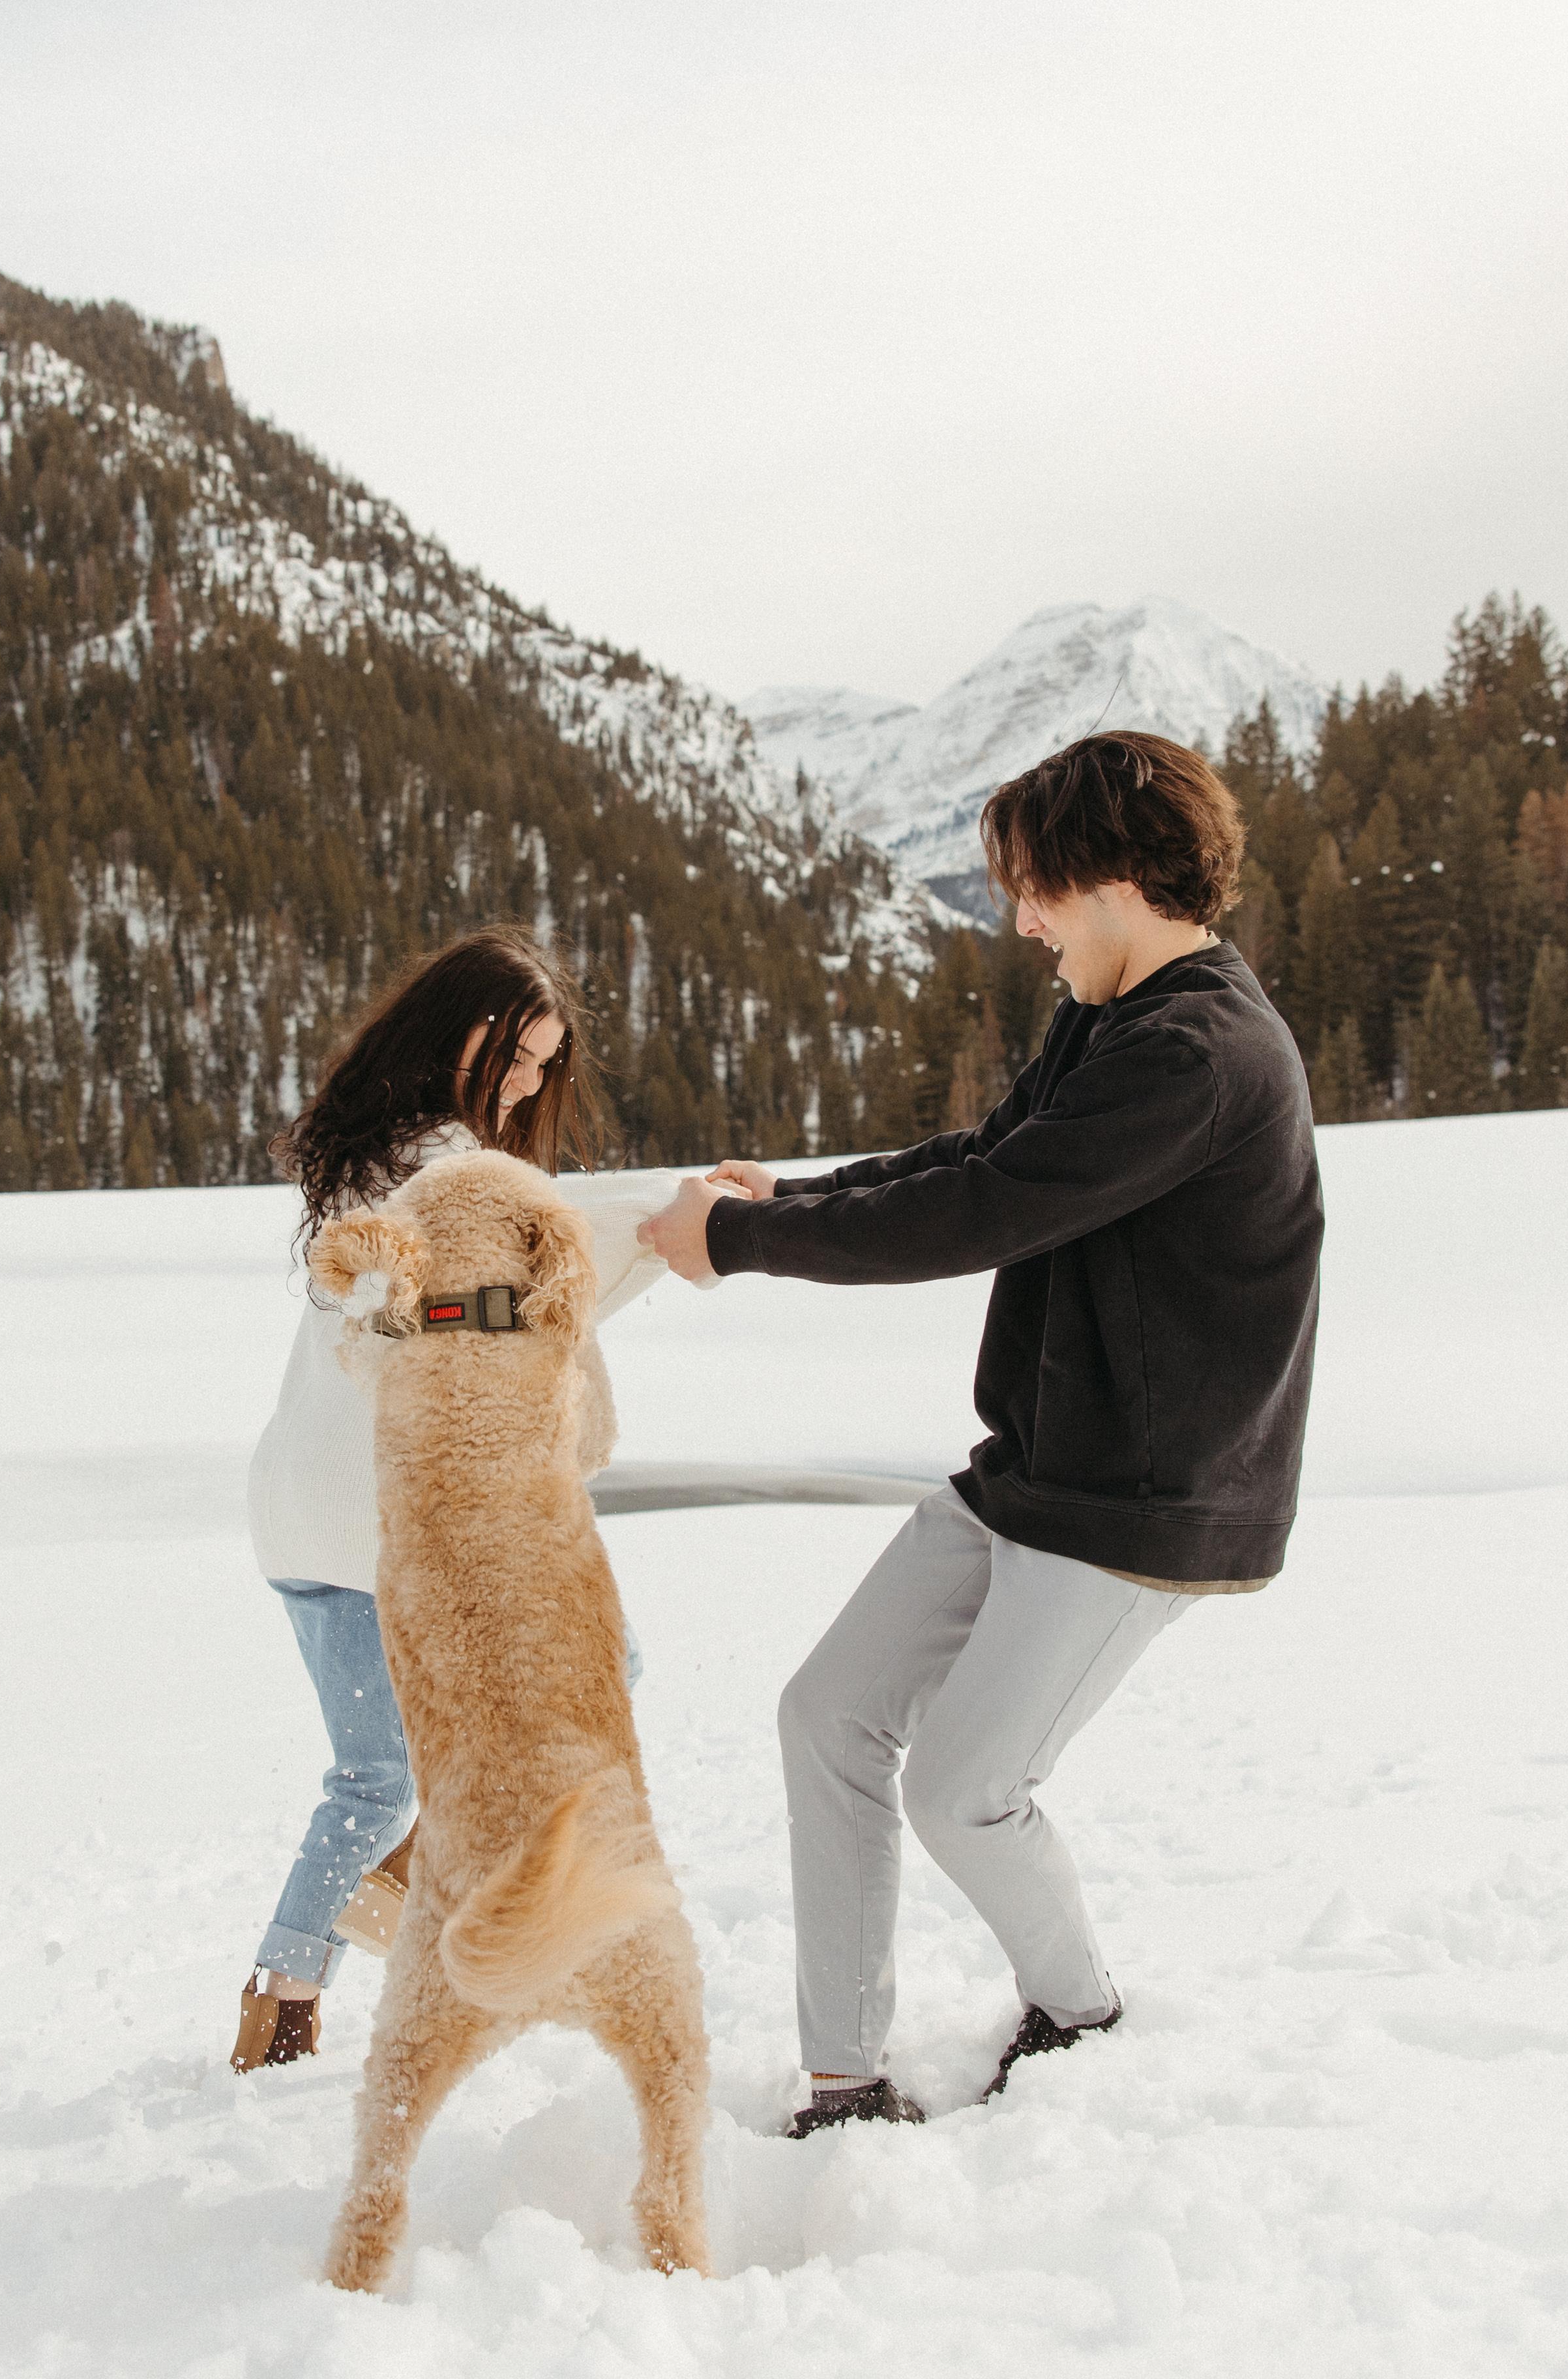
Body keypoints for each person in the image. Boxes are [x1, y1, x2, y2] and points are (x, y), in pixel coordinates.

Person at [640, 731, 1322, 2135]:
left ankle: (1083, 2018)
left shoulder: (1197, 1053)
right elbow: (983, 1159)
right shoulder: (1116, 1015)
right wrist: (794, 1193)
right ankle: (843, 2079)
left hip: (1142, 1508)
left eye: (1039, 892)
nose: (1020, 921)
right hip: (1034, 1472)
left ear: (1122, 880)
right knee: (826, 1718)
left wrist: (746, 1243)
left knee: (966, 1791)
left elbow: (982, 1217)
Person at [235, 925, 673, 2071]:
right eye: (518, 1053)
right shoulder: (449, 1166)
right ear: (461, 1031)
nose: (529, 1081)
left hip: (302, 1510)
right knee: (602, 1670)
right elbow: (517, 1289)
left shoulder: (373, 1152)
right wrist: (679, 1224)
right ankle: (395, 1888)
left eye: (544, 1063)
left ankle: (281, 1996)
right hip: (393, 1510)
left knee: (371, 1775)